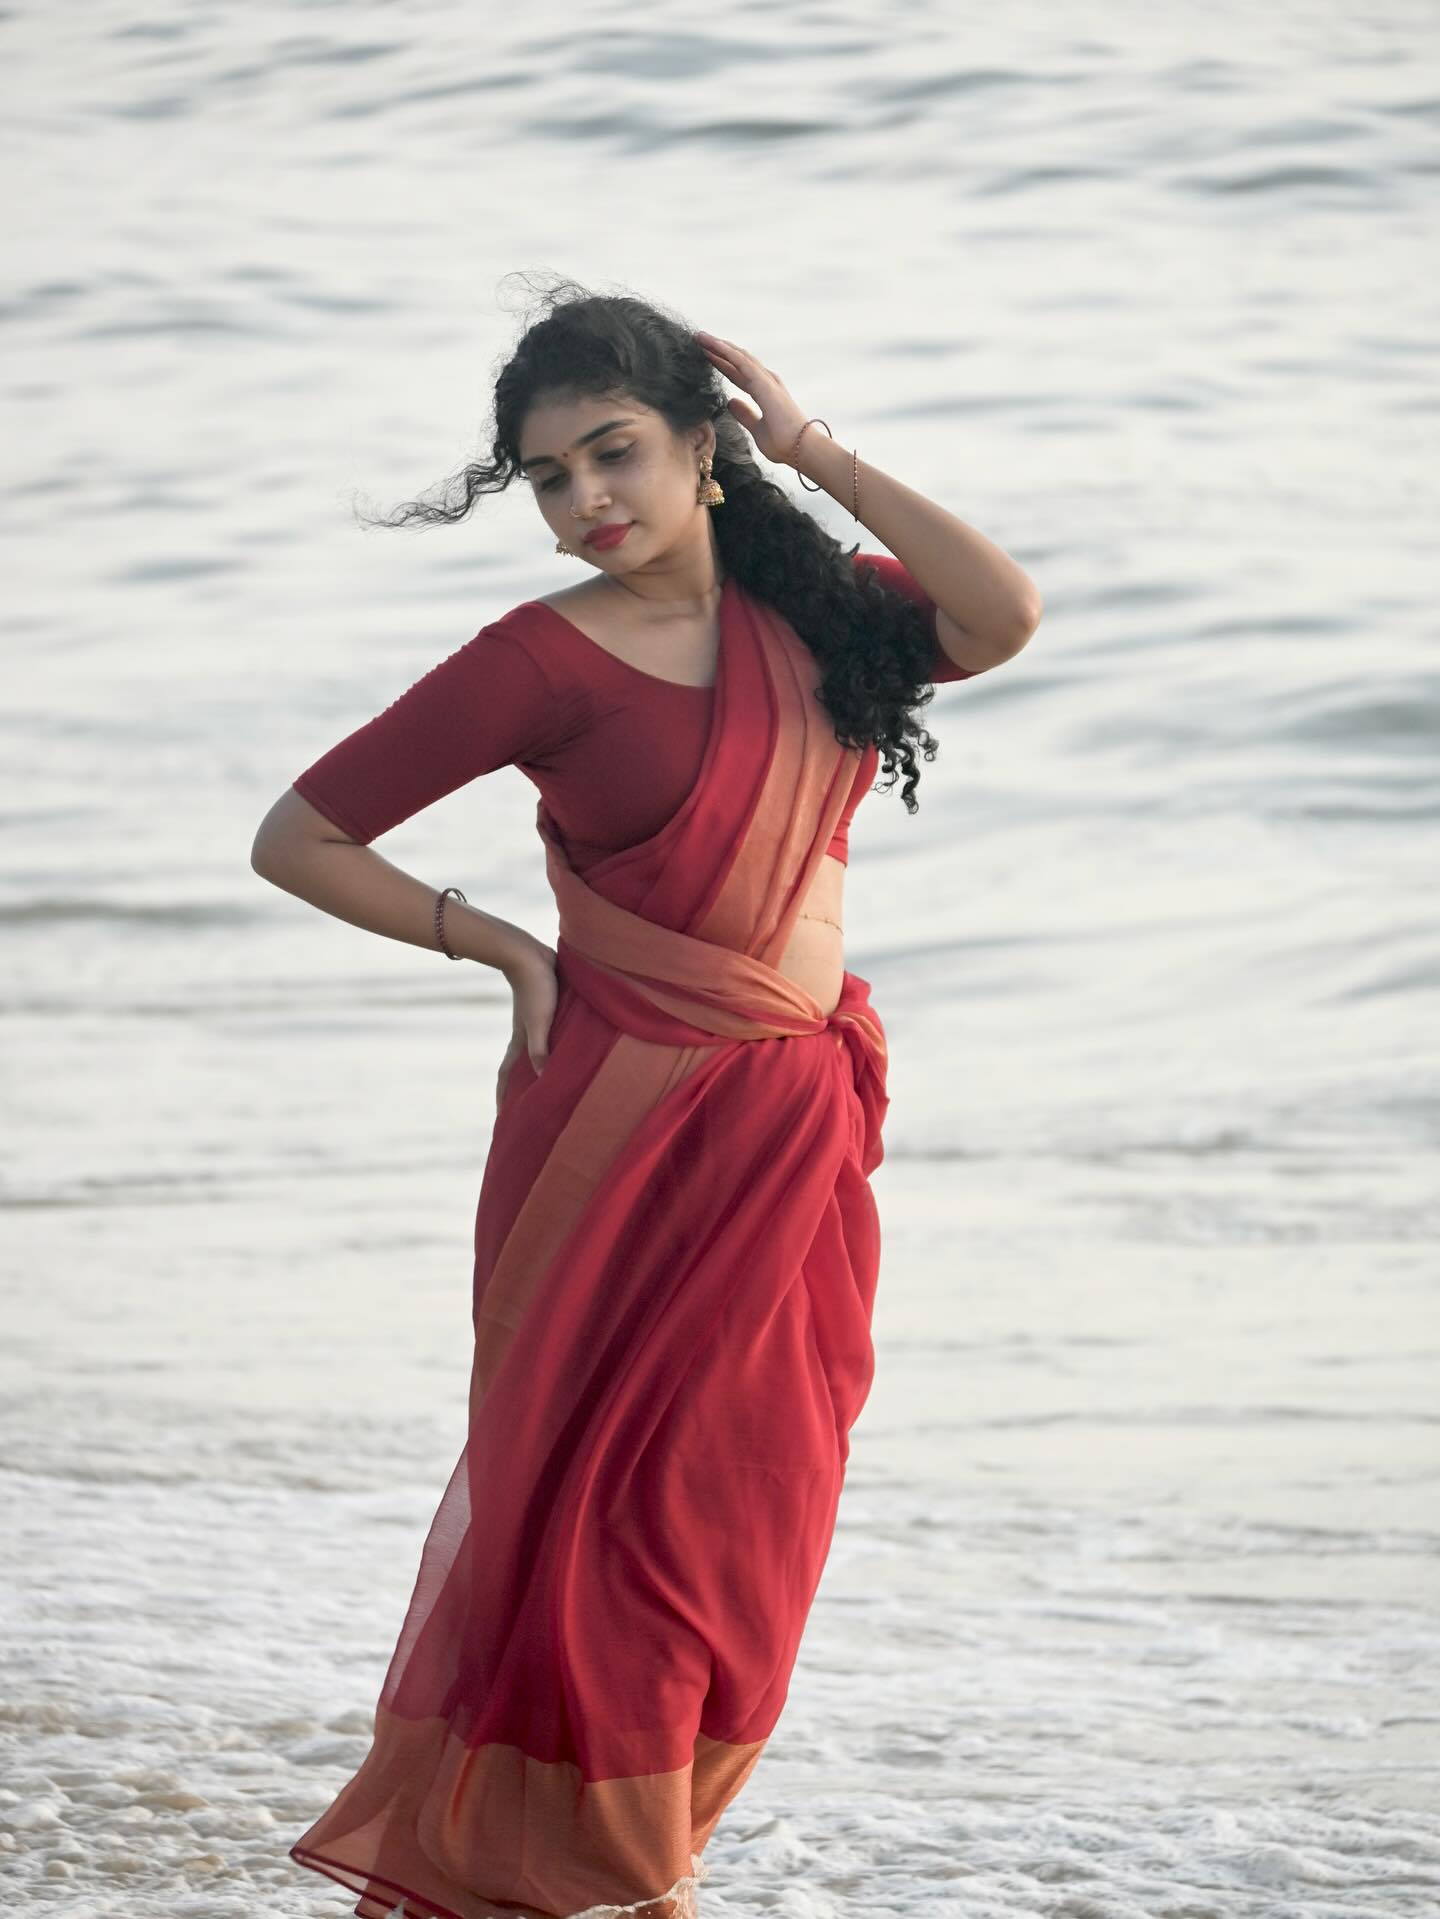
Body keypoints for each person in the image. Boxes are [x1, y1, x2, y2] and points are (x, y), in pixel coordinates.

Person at [251, 277, 1042, 1919]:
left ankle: (642, 1844)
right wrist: (500, 947)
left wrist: (817, 451)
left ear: (701, 445)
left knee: (753, 1510)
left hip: (793, 1131)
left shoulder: (824, 616)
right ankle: (615, 1872)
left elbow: (1002, 614)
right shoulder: (538, 662)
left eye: (614, 452)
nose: (586, 500)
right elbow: (300, 836)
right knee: (600, 1507)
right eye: (550, 478)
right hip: (616, 1127)